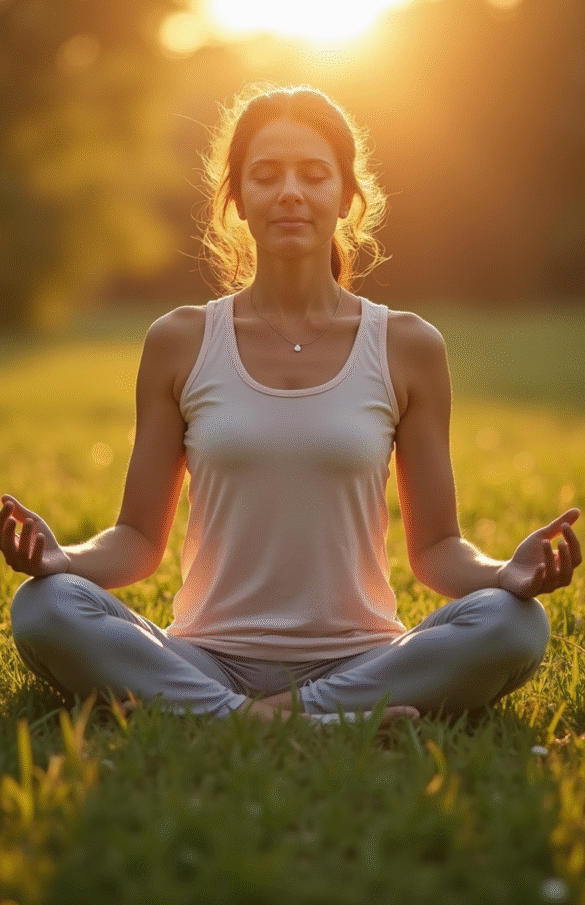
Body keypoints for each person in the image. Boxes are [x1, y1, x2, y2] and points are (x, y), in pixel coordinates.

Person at [2, 84, 582, 728]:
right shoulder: (180, 340)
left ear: (347, 197)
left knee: (514, 624)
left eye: (313, 174)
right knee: (44, 607)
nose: (289, 193)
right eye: (265, 176)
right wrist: (62, 562)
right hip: (207, 656)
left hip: (362, 659)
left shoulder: (407, 345)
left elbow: (439, 550)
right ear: (236, 199)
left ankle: (227, 719)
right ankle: (304, 721)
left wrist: (505, 573)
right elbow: (137, 540)